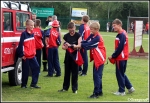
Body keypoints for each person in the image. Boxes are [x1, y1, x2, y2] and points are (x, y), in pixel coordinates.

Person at [108, 18, 135, 96]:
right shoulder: (122, 33)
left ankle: (121, 91)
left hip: (121, 57)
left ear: (119, 25)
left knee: (119, 73)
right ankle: (130, 87)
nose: (114, 27)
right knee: (122, 73)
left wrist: (113, 56)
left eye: (115, 25)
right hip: (123, 56)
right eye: (113, 26)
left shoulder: (122, 35)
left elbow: (120, 48)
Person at [80, 22, 106, 98]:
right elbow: (86, 41)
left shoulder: (98, 37)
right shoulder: (93, 35)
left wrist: (79, 45)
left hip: (100, 59)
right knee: (98, 75)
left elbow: (89, 45)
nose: (90, 31)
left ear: (96, 29)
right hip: (97, 58)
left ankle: (96, 93)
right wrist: (78, 43)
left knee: (96, 75)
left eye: (91, 29)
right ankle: (100, 91)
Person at [58, 22, 83, 94]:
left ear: (75, 28)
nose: (71, 31)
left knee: (75, 73)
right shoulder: (66, 36)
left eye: (72, 29)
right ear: (68, 29)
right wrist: (65, 47)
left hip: (75, 56)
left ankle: (74, 88)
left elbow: (79, 46)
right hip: (68, 56)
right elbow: (63, 47)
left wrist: (71, 45)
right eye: (70, 30)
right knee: (67, 73)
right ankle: (65, 87)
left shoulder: (78, 35)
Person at [16, 19, 41, 88]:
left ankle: (33, 84)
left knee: (36, 68)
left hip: (32, 55)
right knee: (25, 71)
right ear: (27, 26)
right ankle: (24, 85)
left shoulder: (33, 33)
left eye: (33, 25)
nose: (32, 27)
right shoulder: (24, 34)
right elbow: (21, 45)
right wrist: (22, 55)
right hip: (26, 56)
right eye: (31, 25)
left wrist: (34, 52)